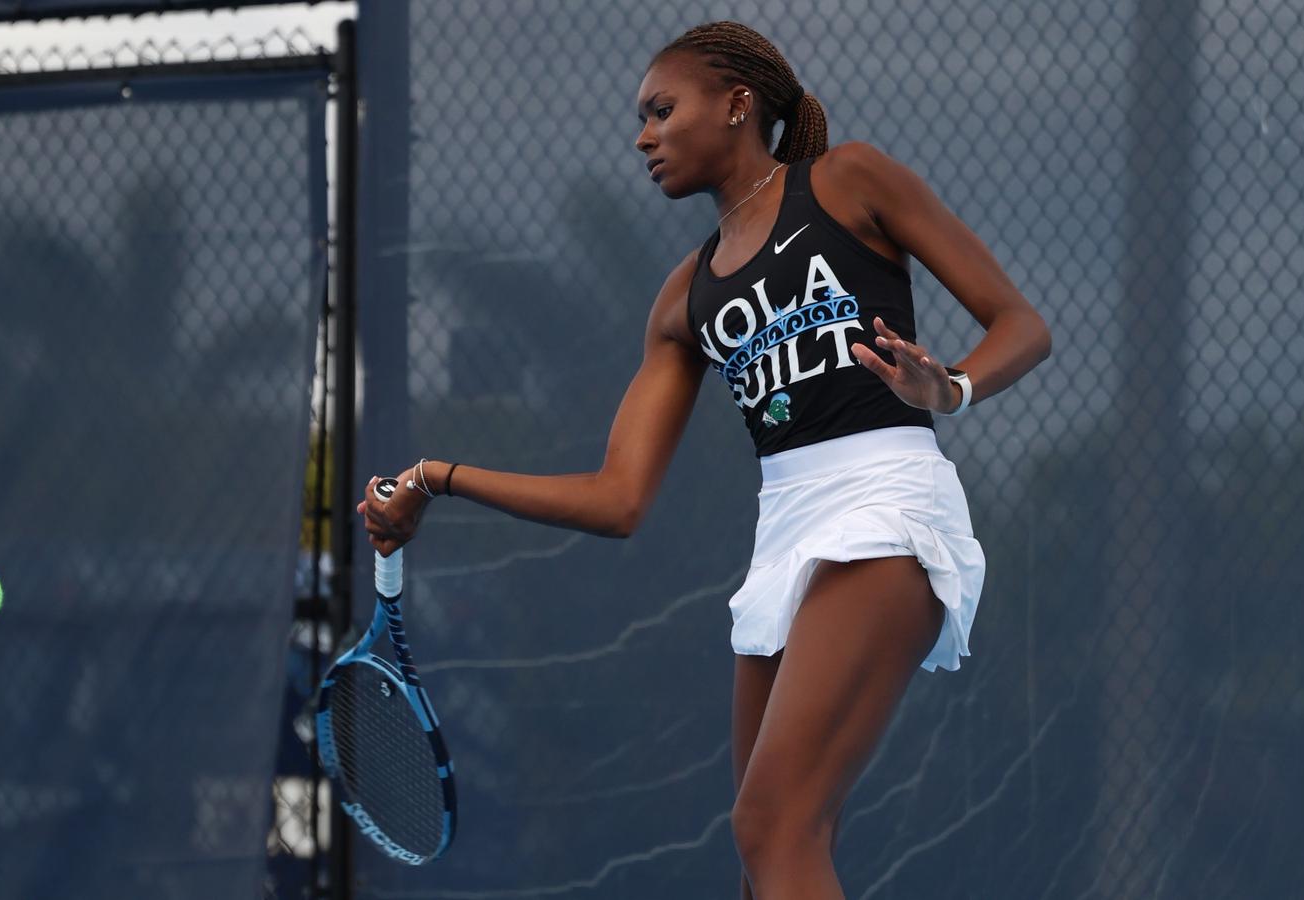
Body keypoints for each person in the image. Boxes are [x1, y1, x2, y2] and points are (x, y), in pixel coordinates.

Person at [358, 20, 1051, 900]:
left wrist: (947, 387)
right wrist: (436, 477)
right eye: (640, 119)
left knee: (771, 827)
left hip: (886, 505)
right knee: (767, 858)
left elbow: (1024, 326)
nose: (643, 136)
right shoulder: (681, 303)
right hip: (783, 537)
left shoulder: (850, 182)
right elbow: (618, 499)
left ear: (736, 105)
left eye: (661, 109)